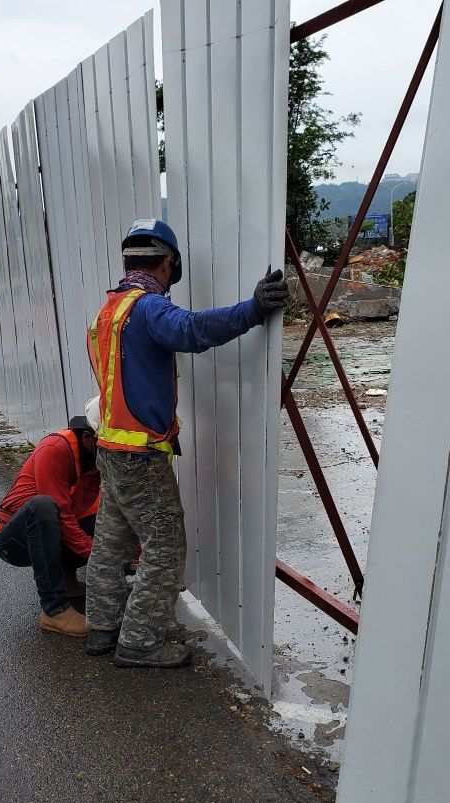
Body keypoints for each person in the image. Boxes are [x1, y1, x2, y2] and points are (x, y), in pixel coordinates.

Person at [84, 218, 288, 667]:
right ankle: (139, 641)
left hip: (111, 447)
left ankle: (102, 627)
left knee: (112, 541)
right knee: (164, 546)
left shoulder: (108, 310)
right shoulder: (148, 308)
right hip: (140, 453)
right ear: (168, 263)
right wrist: (253, 309)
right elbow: (193, 330)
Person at [0, 403, 102, 637]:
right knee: (43, 507)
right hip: (14, 541)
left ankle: (67, 582)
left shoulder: (94, 460)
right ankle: (54, 610)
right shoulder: (55, 448)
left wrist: (133, 556)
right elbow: (61, 514)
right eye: (108, 446)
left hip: (46, 532)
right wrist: (97, 557)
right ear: (90, 438)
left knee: (102, 515)